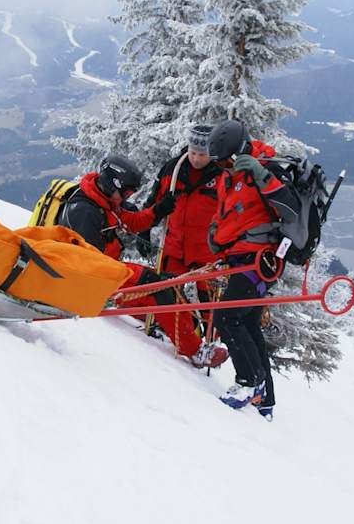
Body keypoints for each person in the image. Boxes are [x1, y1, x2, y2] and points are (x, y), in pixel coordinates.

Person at [59, 154, 202, 351]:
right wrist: (146, 278)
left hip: (103, 271)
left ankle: (176, 330)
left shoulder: (102, 200)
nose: (127, 198)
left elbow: (131, 221)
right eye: (125, 194)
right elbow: (90, 264)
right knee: (155, 285)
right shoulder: (86, 212)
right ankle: (194, 350)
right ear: (112, 184)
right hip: (92, 278)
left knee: (161, 285)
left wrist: (157, 211)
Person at [206, 120, 283, 419]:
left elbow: (286, 207)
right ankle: (266, 400)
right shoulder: (231, 176)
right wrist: (216, 235)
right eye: (220, 162)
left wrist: (263, 176)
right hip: (241, 258)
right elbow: (227, 213)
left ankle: (250, 382)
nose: (224, 166)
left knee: (226, 316)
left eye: (226, 160)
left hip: (260, 261)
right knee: (248, 323)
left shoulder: (266, 169)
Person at [142, 125, 229, 368]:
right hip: (174, 247)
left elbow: (231, 214)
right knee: (166, 294)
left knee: (210, 305)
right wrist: (146, 228)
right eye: (193, 152)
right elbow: (155, 200)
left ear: (211, 153)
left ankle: (208, 343)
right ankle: (164, 331)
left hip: (207, 254)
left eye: (201, 154)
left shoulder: (222, 175)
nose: (196, 158)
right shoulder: (173, 169)